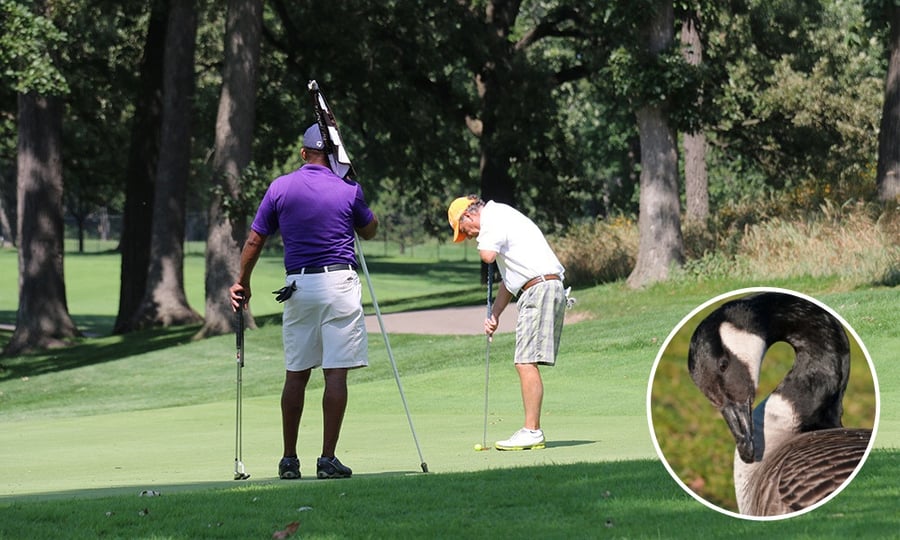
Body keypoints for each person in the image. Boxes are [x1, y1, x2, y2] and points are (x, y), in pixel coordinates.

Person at [230, 124, 378, 480]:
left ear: (303, 153)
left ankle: (289, 460)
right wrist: (353, 183)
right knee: (335, 372)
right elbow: (370, 230)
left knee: (296, 373)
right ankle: (327, 459)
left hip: (298, 285)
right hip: (339, 283)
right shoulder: (348, 188)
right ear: (335, 155)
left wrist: (242, 283)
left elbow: (253, 241)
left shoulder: (280, 187)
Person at [447, 195, 567, 451]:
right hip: (541, 286)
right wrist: (495, 314)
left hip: (540, 288)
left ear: (468, 216)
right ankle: (531, 430)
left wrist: (482, 240)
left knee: (525, 362)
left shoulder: (494, 217)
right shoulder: (500, 219)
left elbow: (487, 256)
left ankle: (532, 431)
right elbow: (509, 282)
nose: (467, 237)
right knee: (525, 360)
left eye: (464, 230)